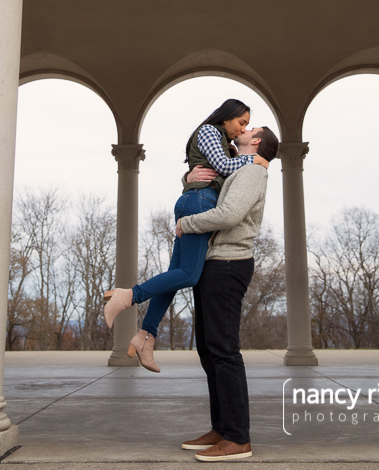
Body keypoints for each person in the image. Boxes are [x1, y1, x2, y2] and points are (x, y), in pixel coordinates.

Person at [103, 99, 269, 371]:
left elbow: (214, 174)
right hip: (199, 203)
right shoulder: (209, 131)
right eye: (241, 123)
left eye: (247, 127)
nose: (242, 130)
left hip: (200, 199)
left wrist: (188, 177)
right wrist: (257, 160)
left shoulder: (224, 143)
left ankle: (145, 336)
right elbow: (223, 169)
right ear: (227, 117)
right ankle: (127, 296)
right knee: (190, 275)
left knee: (175, 275)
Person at [177, 125, 279, 462]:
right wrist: (188, 178)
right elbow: (209, 188)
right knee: (209, 349)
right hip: (216, 263)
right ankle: (221, 428)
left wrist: (186, 225)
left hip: (229, 264)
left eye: (250, 127)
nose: (242, 129)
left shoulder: (251, 171)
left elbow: (229, 214)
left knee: (224, 351)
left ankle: (238, 437)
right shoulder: (238, 168)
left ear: (257, 141)